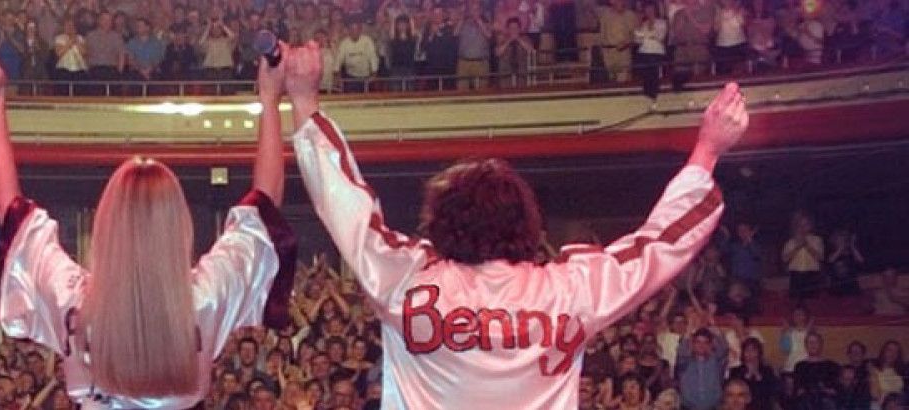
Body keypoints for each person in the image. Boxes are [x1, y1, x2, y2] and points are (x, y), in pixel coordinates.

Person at [286, 31, 747, 406]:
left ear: (441, 221)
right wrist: (706, 152)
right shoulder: (568, 290)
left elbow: (345, 205)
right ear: (526, 223)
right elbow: (660, 243)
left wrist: (305, 102)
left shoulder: (404, 279)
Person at [0, 39, 296, 407]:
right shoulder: (205, 297)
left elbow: (8, 206)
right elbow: (265, 206)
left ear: (107, 226)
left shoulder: (74, 300)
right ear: (178, 228)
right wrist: (270, 98)